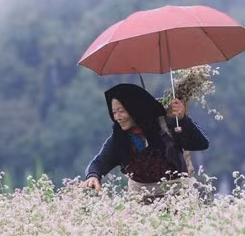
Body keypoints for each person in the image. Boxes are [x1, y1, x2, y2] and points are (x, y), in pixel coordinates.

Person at [80, 83, 209, 202]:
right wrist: (93, 175)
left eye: (121, 111)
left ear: (135, 109)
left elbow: (201, 143)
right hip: (141, 203)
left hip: (178, 199)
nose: (117, 117)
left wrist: (182, 119)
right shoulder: (120, 139)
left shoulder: (167, 126)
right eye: (114, 112)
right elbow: (100, 162)